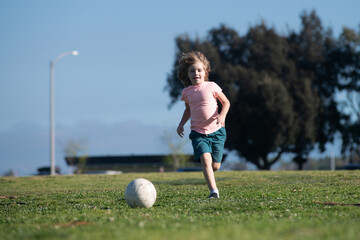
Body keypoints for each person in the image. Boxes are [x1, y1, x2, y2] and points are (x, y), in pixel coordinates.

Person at [176, 51, 230, 199]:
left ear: (205, 72)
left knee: (215, 166)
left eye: (199, 70)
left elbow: (226, 102)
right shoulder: (187, 92)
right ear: (187, 74)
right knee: (205, 159)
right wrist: (181, 124)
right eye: (192, 71)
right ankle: (214, 192)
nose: (196, 73)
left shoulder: (212, 86)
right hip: (198, 133)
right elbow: (188, 110)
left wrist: (222, 115)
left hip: (217, 131)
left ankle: (212, 172)